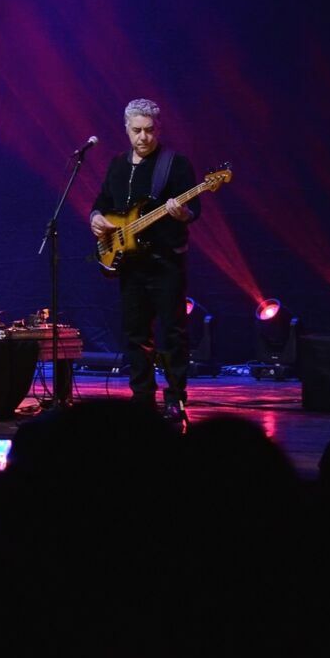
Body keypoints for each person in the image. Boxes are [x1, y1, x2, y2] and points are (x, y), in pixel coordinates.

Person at [90, 98, 201, 423]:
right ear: (126, 129)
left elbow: (195, 210)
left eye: (149, 130)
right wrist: (96, 217)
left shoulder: (175, 164)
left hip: (166, 261)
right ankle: (141, 400)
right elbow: (102, 201)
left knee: (173, 333)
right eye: (137, 130)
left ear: (158, 129)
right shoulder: (117, 165)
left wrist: (182, 213)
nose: (143, 137)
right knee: (136, 334)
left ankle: (175, 398)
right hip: (130, 263)